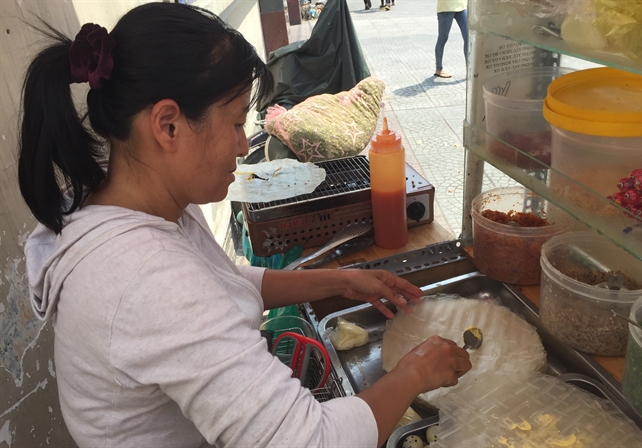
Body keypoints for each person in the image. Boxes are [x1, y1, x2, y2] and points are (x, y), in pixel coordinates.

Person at [18, 3, 472, 447]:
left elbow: (215, 279)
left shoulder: (131, 205)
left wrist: (339, 280)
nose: (242, 145)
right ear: (168, 125)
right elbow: (313, 440)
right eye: (236, 123)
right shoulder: (146, 277)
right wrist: (414, 373)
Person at [434, 0, 468, 78]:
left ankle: (470, 69)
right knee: (442, 39)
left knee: (468, 38)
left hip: (462, 7)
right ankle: (439, 69)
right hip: (446, 8)